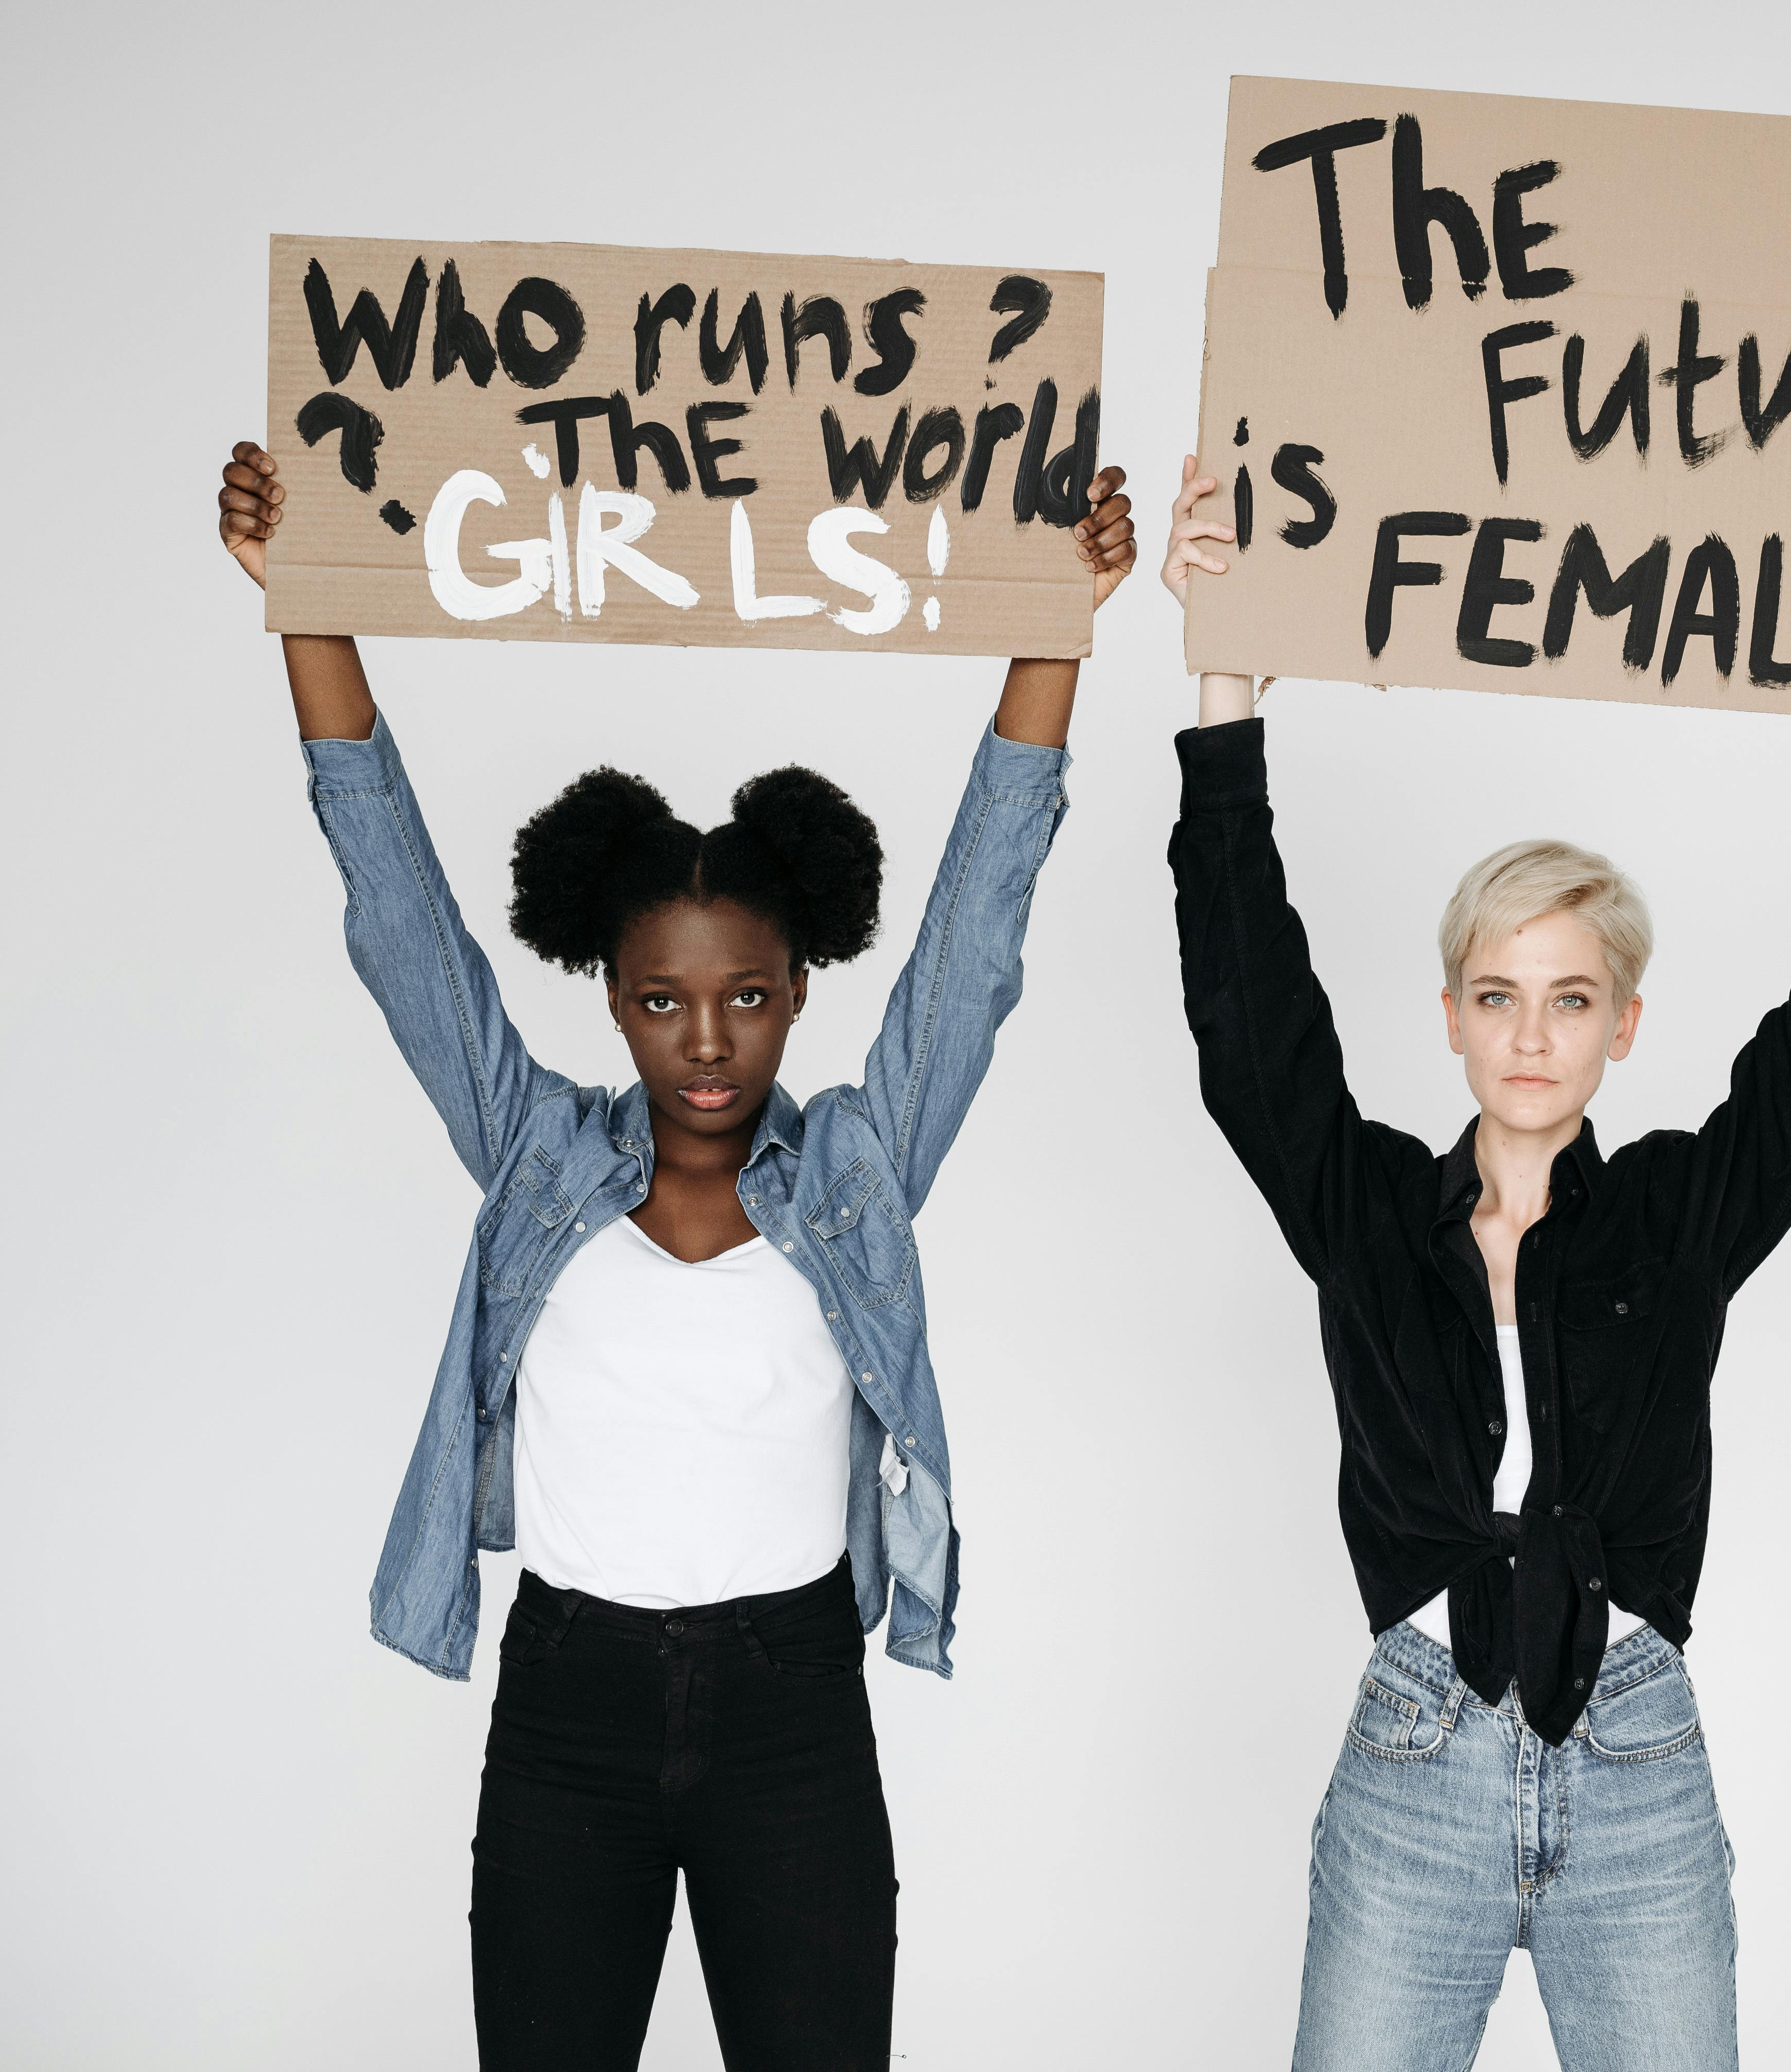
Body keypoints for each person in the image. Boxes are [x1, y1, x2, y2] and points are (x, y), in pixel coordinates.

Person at [212, 441, 1135, 2071]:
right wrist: (304, 604)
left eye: (749, 996)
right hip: (569, 1706)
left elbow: (977, 943)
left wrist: (1058, 620)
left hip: (794, 1707)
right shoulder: (535, 1151)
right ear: (610, 992)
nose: (707, 1042)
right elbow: (400, 915)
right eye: (662, 999)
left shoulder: (857, 1161)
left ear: (801, 987)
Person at [1155, 462, 1791, 2070]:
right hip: (1417, 1760)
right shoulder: (1371, 1212)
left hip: (1639, 1762)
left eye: (1573, 997)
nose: (1533, 1035)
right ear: (1452, 1013)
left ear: (1624, 1024)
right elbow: (1250, 1022)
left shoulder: (1677, 1219)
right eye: (1498, 993)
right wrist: (1223, 683)